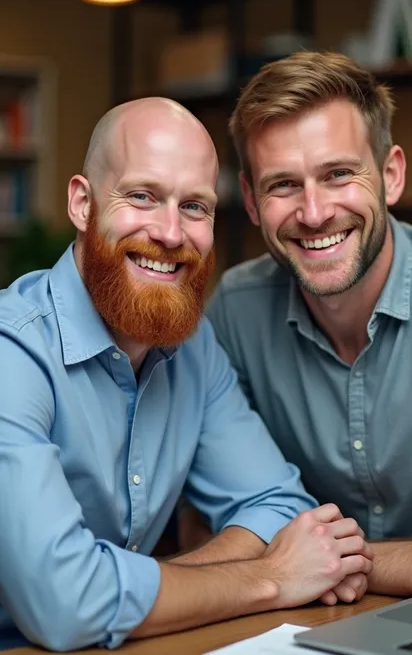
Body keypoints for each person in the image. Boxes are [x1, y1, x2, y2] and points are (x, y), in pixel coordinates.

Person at [0, 97, 373, 651]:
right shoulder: (13, 353)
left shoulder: (190, 344)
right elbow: (65, 604)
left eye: (195, 207)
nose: (171, 234)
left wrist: (173, 585)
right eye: (142, 196)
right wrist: (270, 577)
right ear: (82, 203)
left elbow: (280, 506)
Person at [191, 51, 412, 600]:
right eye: (283, 186)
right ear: (250, 201)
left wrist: (341, 564)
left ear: (391, 175)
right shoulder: (236, 311)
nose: (315, 212)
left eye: (338, 174)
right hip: (317, 623)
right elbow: (211, 513)